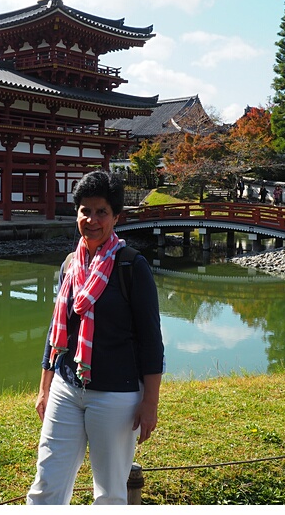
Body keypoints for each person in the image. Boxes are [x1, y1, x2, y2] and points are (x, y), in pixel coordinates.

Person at [26, 170, 164, 505]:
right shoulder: (70, 264)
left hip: (115, 396)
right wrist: (45, 386)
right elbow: (57, 330)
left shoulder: (132, 266)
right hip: (66, 387)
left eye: (101, 211)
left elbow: (151, 340)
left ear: (116, 216)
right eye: (85, 210)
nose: (92, 219)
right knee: (47, 483)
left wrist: (150, 403)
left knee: (109, 493)